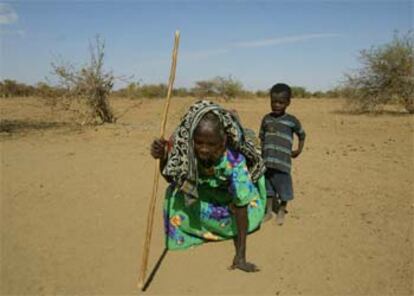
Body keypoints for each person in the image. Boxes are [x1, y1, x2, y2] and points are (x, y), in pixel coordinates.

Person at [150, 100, 267, 272]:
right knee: (173, 198)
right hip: (202, 193)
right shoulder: (187, 153)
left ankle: (209, 226)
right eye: (199, 143)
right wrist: (163, 158)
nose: (204, 149)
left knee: (247, 213)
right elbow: (170, 178)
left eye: (211, 144)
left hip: (228, 197)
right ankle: (200, 226)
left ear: (223, 141)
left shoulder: (233, 161)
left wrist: (240, 257)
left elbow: (241, 205)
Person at [259, 83, 306, 225]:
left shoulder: (292, 121)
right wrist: (261, 154)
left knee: (284, 188)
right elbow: (262, 137)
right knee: (268, 188)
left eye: (281, 102)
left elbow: (302, 134)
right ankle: (268, 212)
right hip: (267, 162)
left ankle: (281, 210)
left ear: (288, 103)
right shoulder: (266, 119)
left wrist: (298, 150)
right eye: (273, 102)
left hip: (283, 162)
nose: (277, 105)